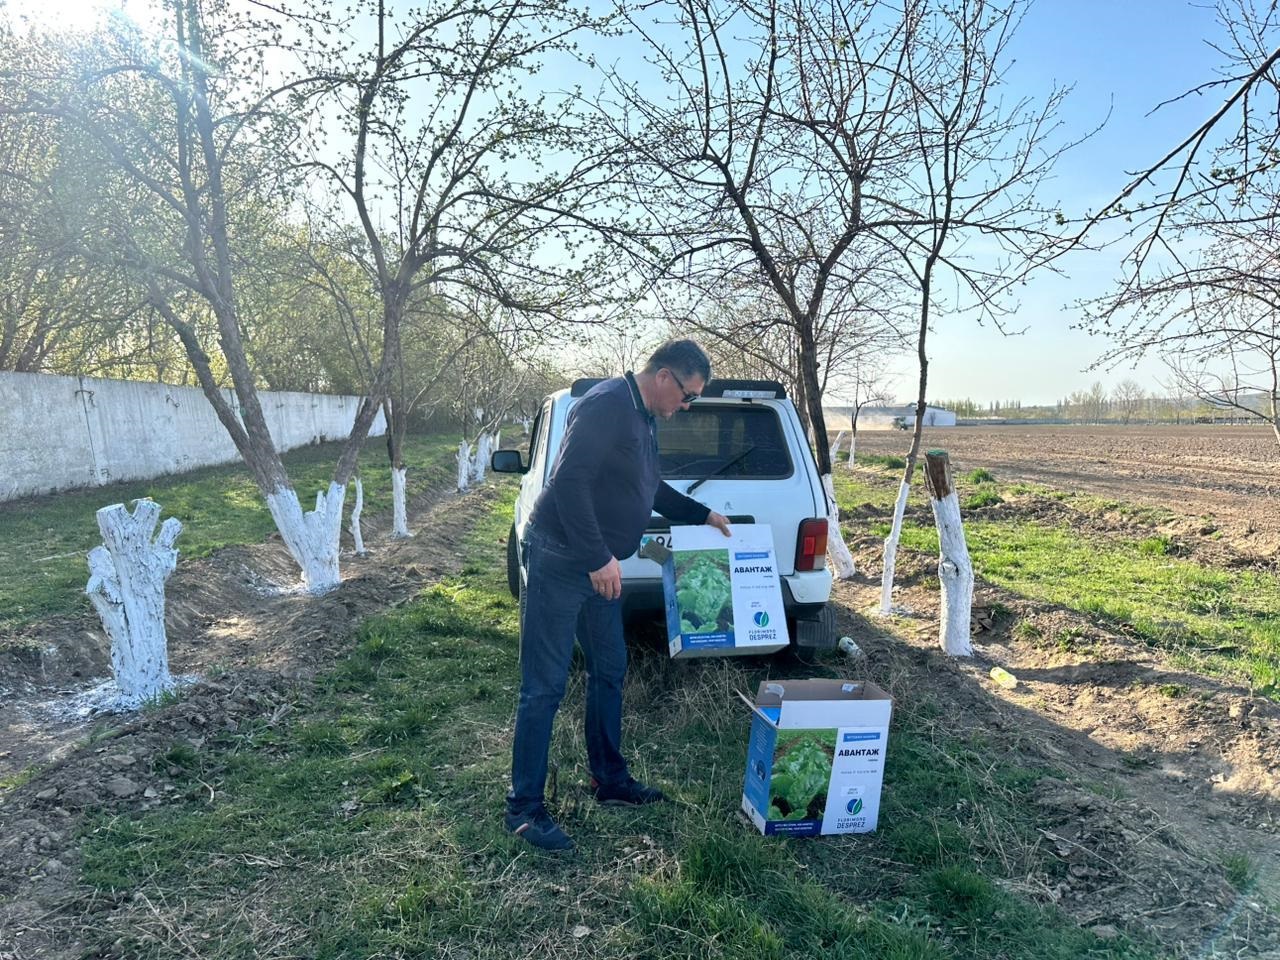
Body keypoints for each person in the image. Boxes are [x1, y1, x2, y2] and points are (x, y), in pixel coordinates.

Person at [506, 339, 732, 850]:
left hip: (596, 571)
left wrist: (704, 515)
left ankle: (609, 780)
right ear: (665, 377)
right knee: (543, 685)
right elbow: (568, 483)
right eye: (689, 395)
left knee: (610, 668)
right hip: (564, 562)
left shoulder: (645, 416)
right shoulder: (606, 404)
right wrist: (597, 558)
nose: (687, 406)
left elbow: (649, 487)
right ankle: (523, 809)